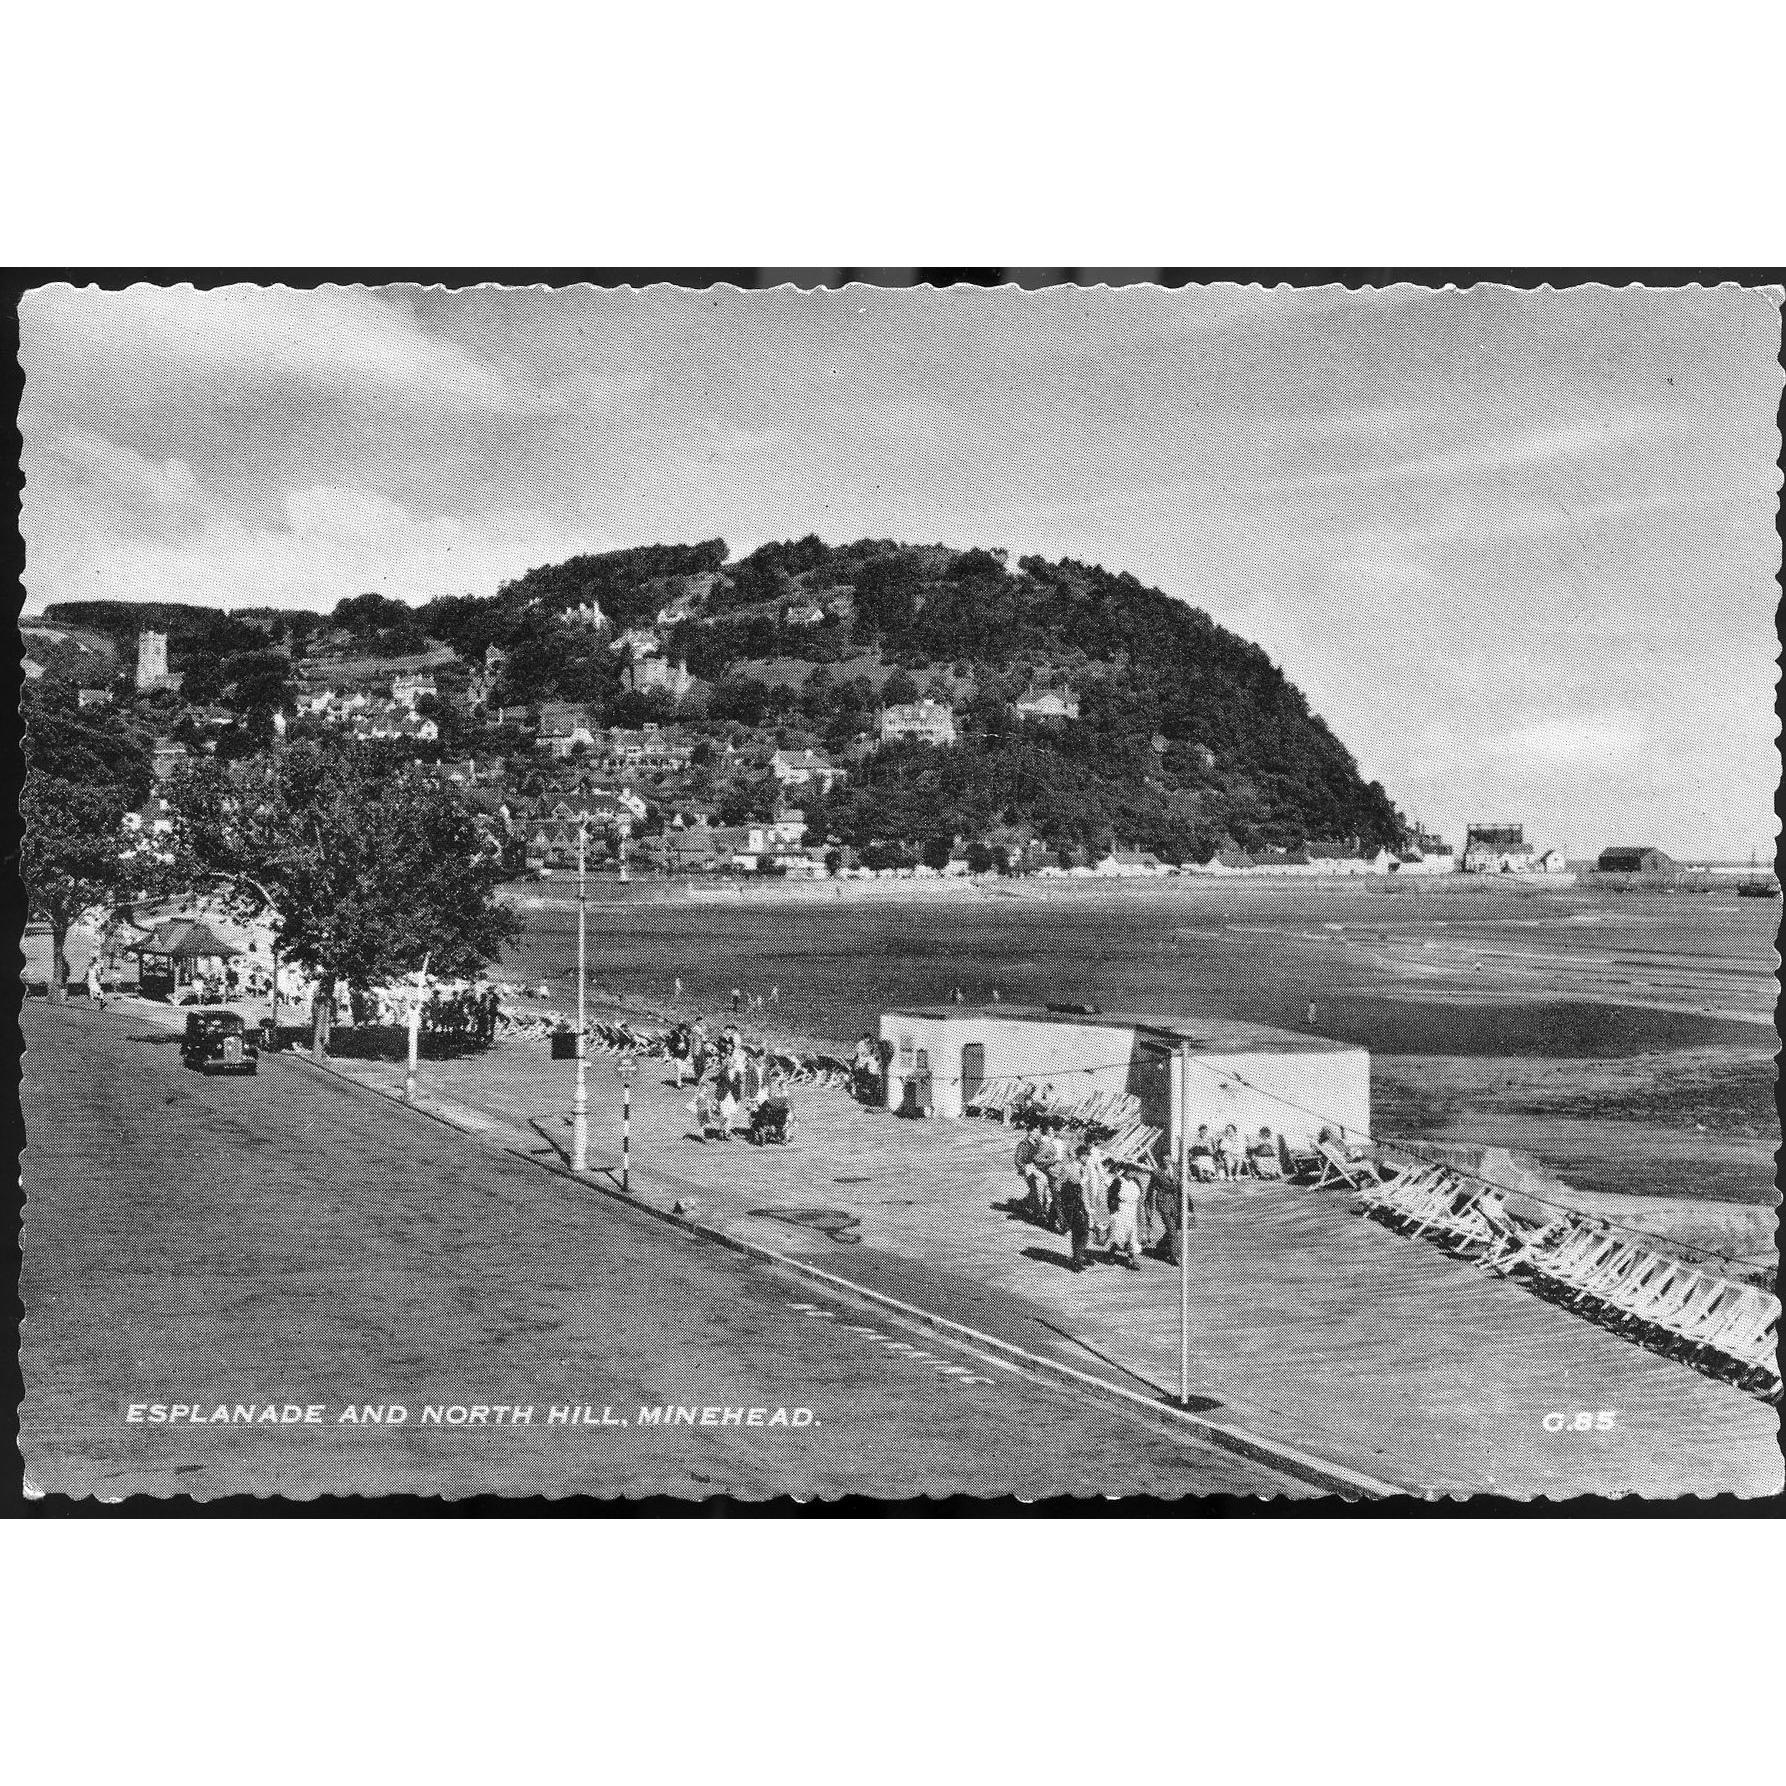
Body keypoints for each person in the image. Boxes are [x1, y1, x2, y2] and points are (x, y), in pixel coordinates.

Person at [1058, 1143, 1094, 1271]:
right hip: (1073, 1204)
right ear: (1080, 1155)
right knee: (1078, 1232)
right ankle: (1076, 1260)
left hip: (1085, 1205)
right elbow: (1059, 1185)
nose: (1087, 1158)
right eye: (1085, 1156)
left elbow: (1088, 1188)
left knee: (1085, 1232)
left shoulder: (1086, 1169)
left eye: (1088, 1156)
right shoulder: (1068, 1168)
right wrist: (1064, 1206)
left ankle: (1080, 1256)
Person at [1106, 1165, 1145, 1270]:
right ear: (1126, 1171)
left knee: (1132, 1235)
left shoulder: (1136, 1182)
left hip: (1132, 1211)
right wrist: (1113, 1211)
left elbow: (1140, 1198)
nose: (1132, 1173)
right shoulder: (1118, 1181)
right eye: (1131, 1171)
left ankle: (1132, 1260)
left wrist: (1141, 1214)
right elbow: (1110, 1197)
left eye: (1134, 1171)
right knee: (1117, 1234)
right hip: (1120, 1211)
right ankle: (1111, 1254)